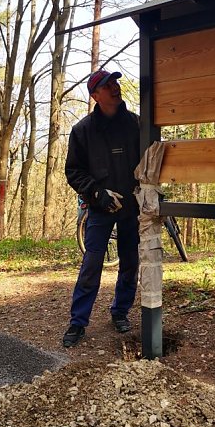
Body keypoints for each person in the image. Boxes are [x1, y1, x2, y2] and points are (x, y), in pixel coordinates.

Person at [62, 69, 140, 348]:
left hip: (132, 207)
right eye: (107, 86)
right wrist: (97, 192)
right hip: (99, 208)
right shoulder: (82, 131)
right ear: (95, 95)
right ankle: (77, 322)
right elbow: (73, 171)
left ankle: (120, 312)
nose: (115, 88)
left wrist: (143, 190)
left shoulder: (136, 124)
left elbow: (151, 160)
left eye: (115, 83)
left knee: (130, 262)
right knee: (92, 264)